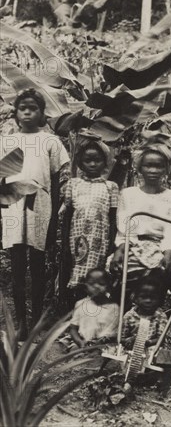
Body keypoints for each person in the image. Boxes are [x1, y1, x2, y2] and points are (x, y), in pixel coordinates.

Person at [0, 89, 70, 338]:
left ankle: (37, 320)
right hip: (13, 208)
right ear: (16, 113)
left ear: (42, 113)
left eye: (33, 108)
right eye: (22, 108)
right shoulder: (6, 141)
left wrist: (51, 222)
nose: (27, 112)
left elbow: (53, 181)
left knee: (38, 266)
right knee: (18, 267)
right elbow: (3, 179)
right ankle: (20, 322)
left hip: (40, 208)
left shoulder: (50, 142)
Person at [108, 143, 171, 303]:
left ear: (166, 169)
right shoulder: (128, 194)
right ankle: (122, 313)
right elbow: (125, 228)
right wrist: (120, 250)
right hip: (133, 245)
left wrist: (168, 254)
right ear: (139, 168)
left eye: (159, 166)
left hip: (160, 248)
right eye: (148, 166)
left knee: (161, 271)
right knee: (118, 268)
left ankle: (150, 314)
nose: (153, 171)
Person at [63, 138, 118, 303]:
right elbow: (68, 214)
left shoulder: (111, 186)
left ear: (105, 162)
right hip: (77, 238)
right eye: (88, 160)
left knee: (95, 275)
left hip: (99, 240)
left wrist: (112, 244)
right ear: (80, 163)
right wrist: (65, 243)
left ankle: (94, 310)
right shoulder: (73, 184)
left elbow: (113, 216)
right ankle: (75, 312)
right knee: (77, 274)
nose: (93, 164)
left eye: (97, 160)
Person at [59, 268, 119, 351]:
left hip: (103, 345)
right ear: (85, 286)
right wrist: (80, 342)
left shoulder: (114, 308)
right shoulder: (81, 304)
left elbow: (111, 334)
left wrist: (96, 344)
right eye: (91, 284)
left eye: (101, 284)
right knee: (75, 351)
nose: (96, 287)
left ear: (108, 286)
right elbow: (73, 328)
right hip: (82, 343)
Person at [121, 270, 169, 351]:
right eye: (144, 297)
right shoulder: (129, 316)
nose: (148, 301)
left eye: (153, 298)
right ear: (135, 298)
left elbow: (161, 339)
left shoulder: (160, 316)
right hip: (132, 348)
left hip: (151, 346)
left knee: (156, 350)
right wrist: (127, 340)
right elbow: (121, 337)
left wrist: (148, 342)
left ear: (159, 299)